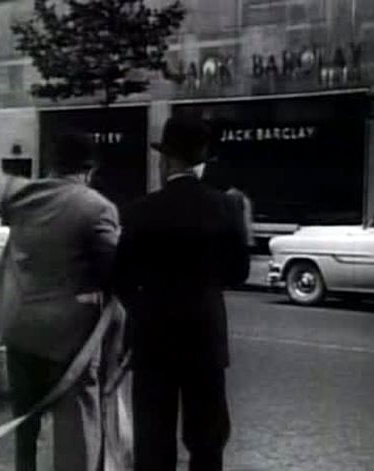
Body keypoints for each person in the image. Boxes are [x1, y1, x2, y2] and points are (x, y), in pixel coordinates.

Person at [114, 115, 250, 471]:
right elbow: (239, 273)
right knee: (207, 439)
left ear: (166, 160)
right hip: (205, 336)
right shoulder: (227, 207)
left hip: (153, 338)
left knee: (154, 438)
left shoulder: (140, 211)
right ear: (200, 162)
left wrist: (143, 306)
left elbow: (120, 277)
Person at [0, 132, 120, 471]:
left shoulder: (23, 197)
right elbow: (116, 270)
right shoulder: (97, 207)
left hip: (20, 329)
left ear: (52, 165)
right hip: (69, 338)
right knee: (75, 428)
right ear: (90, 170)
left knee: (25, 423)